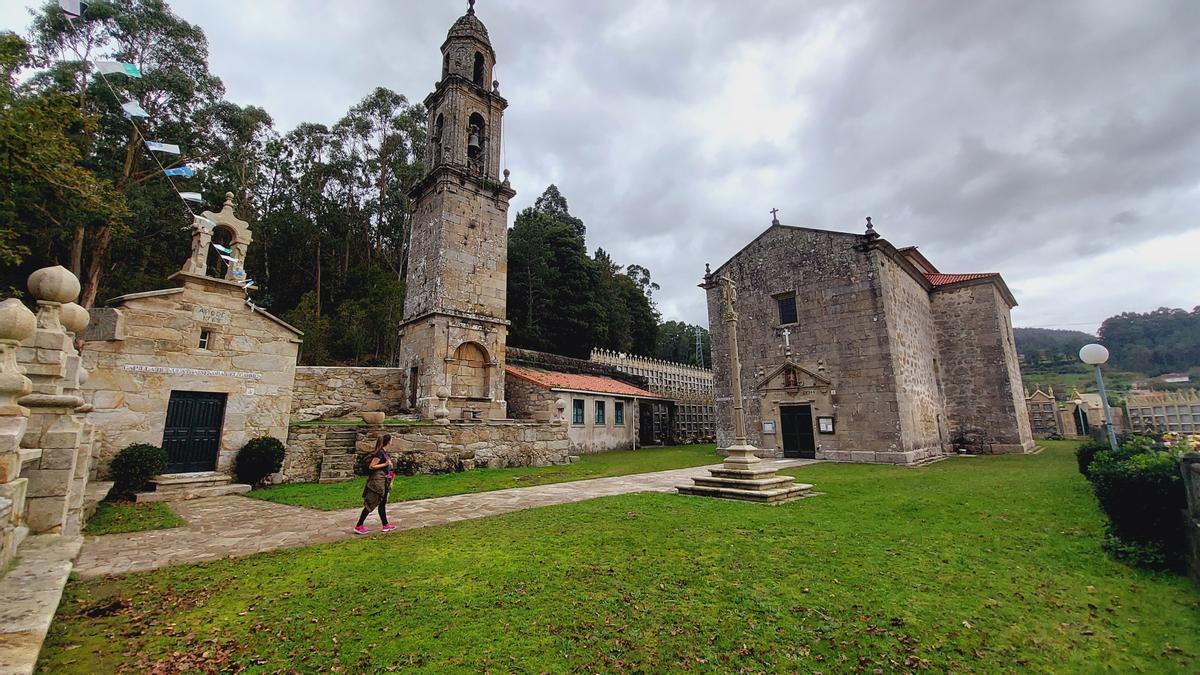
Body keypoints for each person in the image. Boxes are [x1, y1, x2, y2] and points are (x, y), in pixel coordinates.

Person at [354, 434, 396, 534]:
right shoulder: (380, 453)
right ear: (388, 441)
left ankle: (385, 525)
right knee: (371, 502)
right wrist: (385, 464)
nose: (392, 441)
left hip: (384, 481)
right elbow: (372, 466)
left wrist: (389, 468)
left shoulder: (384, 452)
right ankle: (359, 525)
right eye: (391, 440)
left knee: (382, 503)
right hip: (377, 483)